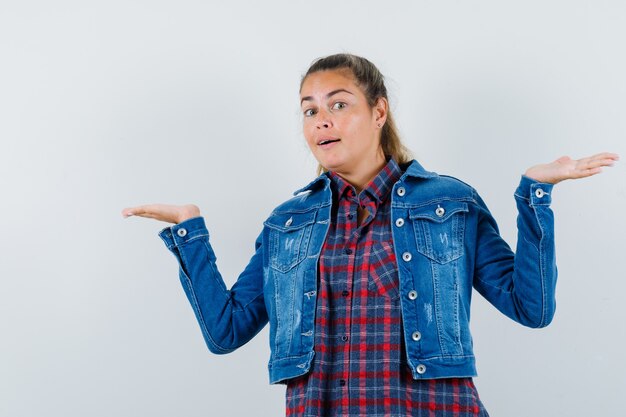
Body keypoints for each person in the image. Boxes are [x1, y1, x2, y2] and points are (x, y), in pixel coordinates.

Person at [122, 53, 618, 416]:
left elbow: (532, 308)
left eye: (338, 104)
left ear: (378, 112)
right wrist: (189, 231)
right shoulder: (286, 224)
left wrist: (536, 195)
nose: (322, 120)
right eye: (310, 110)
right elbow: (225, 332)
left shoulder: (448, 204)